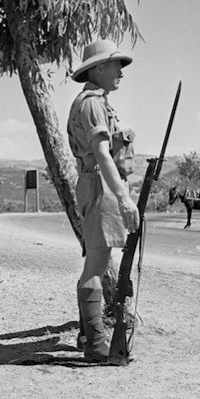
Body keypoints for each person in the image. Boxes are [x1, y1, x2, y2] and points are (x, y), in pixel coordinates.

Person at [67, 39, 140, 362]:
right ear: (97, 68)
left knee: (95, 261)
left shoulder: (97, 102)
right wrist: (123, 199)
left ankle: (89, 336)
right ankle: (96, 345)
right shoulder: (93, 104)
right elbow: (101, 153)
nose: (121, 73)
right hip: (99, 184)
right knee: (96, 264)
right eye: (115, 65)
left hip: (95, 183)